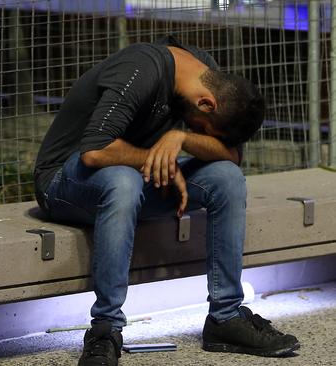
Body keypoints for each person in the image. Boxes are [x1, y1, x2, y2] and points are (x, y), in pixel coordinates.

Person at [33, 35, 300, 366]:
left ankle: (225, 318)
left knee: (226, 179)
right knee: (123, 179)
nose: (199, 131)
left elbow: (230, 156)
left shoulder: (208, 75)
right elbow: (94, 152)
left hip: (140, 178)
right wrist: (158, 160)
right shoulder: (140, 69)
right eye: (201, 126)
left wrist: (183, 137)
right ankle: (105, 329)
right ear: (206, 104)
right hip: (65, 181)